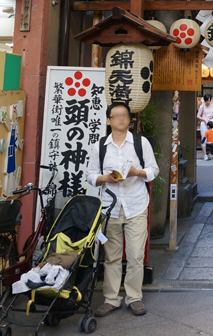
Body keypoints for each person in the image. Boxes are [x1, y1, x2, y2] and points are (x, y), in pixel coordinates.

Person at [87, 102, 158, 319]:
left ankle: (134, 297)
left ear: (129, 119)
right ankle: (111, 299)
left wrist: (137, 172)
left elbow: (153, 170)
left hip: (136, 205)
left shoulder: (140, 142)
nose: (120, 119)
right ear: (108, 120)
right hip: (111, 208)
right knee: (111, 256)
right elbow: (90, 174)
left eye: (124, 115)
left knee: (136, 255)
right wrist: (105, 178)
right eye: (115, 116)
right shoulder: (100, 145)